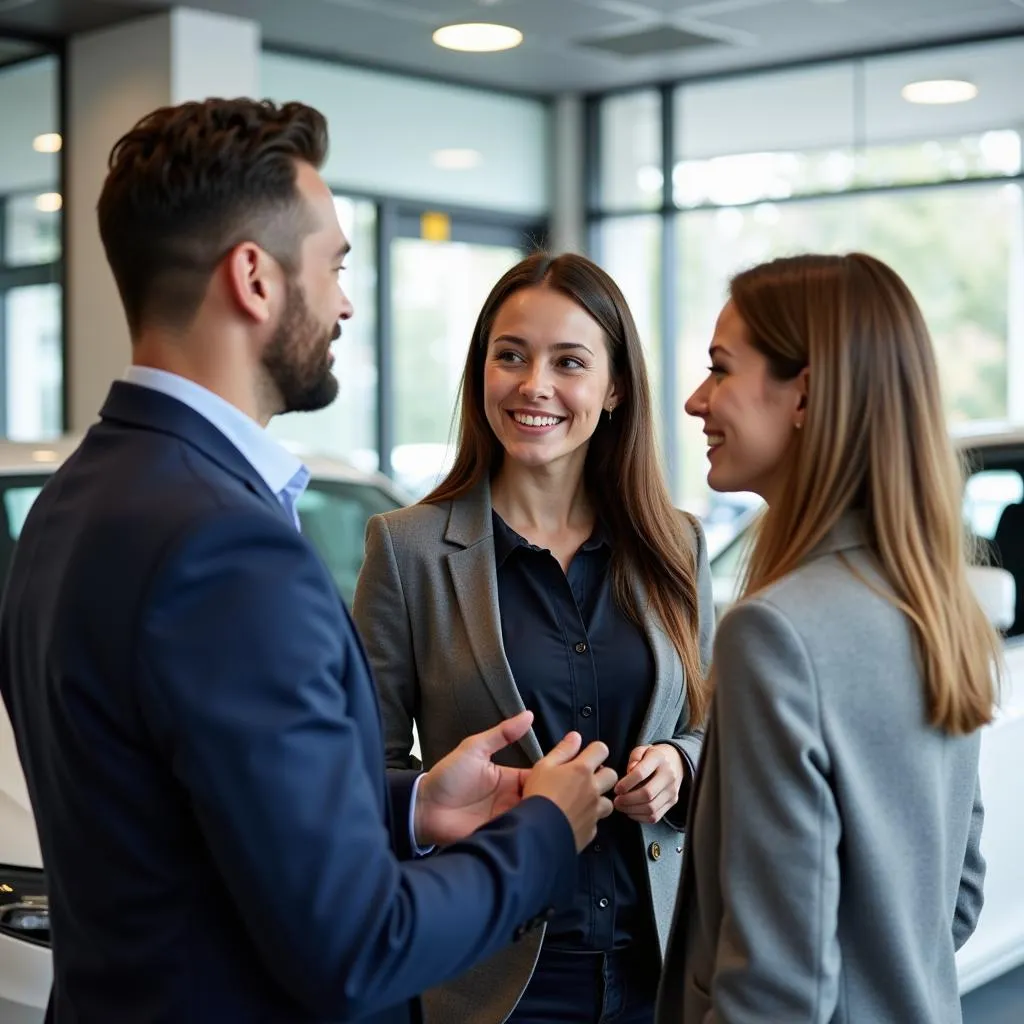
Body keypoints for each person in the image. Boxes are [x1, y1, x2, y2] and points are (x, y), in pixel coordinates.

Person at [0, 99, 621, 1024]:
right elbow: (359, 947)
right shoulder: (227, 546)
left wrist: (411, 809)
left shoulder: (71, 499)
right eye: (332, 263)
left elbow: (199, 812)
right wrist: (544, 830)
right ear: (254, 277)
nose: (344, 300)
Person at [353, 252, 715, 1024]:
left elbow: (714, 722)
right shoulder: (407, 549)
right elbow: (361, 775)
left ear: (615, 388)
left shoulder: (676, 547)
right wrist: (445, 793)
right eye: (509, 355)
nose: (533, 385)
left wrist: (681, 766)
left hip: (663, 972)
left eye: (569, 362)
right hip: (488, 978)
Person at [657, 252, 996, 1024]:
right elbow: (955, 901)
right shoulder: (940, 610)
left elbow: (777, 987)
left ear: (804, 393)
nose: (694, 400)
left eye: (720, 370)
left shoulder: (776, 635)